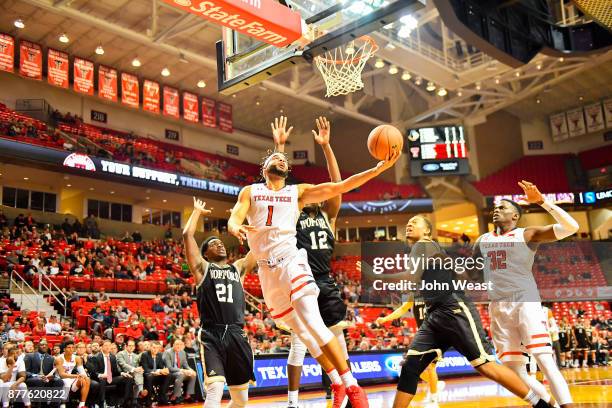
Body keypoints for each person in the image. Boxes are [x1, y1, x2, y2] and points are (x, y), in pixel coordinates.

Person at [227, 116, 400, 408]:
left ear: (288, 171)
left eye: (284, 159)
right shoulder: (250, 192)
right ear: (265, 167)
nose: (280, 160)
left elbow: (341, 185)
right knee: (305, 336)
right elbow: (236, 214)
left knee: (317, 328)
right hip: (268, 276)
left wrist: (377, 168)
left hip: (294, 263)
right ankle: (335, 380)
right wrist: (234, 225)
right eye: (275, 157)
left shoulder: (299, 193)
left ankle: (354, 388)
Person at [358, 215, 556, 408]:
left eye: (414, 223)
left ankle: (539, 404)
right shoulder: (425, 250)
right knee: (411, 366)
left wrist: (375, 275)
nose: (409, 225)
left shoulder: (423, 244)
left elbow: (411, 276)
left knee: (485, 365)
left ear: (427, 230)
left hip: (454, 310)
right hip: (434, 315)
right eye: (407, 223)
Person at [475, 181, 578, 408]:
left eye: (503, 207)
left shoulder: (527, 234)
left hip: (525, 301)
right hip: (498, 307)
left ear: (515, 216)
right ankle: (550, 405)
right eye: (496, 207)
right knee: (515, 371)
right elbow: (471, 272)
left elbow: (572, 227)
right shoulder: (482, 240)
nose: (497, 209)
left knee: (544, 361)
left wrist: (542, 201)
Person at [273, 118, 352, 408]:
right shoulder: (291, 211)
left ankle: (341, 393)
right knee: (299, 344)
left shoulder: (329, 215)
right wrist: (280, 147)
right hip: (300, 280)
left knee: (337, 343)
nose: (321, 191)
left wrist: (327, 146)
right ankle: (292, 400)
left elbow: (338, 184)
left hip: (325, 282)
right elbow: (277, 185)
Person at [183, 198, 257, 408]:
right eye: (214, 243)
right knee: (215, 388)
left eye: (221, 242)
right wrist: (196, 211)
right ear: (206, 253)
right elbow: (187, 235)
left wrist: (246, 220)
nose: (220, 244)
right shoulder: (201, 268)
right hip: (212, 334)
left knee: (241, 401)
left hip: (236, 334)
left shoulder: (238, 268)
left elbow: (258, 250)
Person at [376, 297, 445, 404]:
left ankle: (434, 399)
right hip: (422, 335)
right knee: (412, 366)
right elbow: (403, 309)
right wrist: (385, 319)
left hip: (436, 334)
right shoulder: (413, 295)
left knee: (431, 366)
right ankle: (435, 384)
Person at [88, 340, 135, 407]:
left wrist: (122, 373)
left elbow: (115, 372)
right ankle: (102, 403)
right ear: (101, 347)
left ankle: (125, 402)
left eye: (109, 345)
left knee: (128, 378)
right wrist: (101, 375)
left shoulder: (112, 357)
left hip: (111, 378)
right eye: (106, 345)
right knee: (102, 379)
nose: (108, 347)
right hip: (100, 378)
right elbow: (93, 373)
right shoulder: (95, 357)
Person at [23, 339, 64, 403]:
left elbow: (51, 373)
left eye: (46, 345)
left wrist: (50, 377)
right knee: (39, 381)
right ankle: (39, 404)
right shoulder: (29, 356)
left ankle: (53, 404)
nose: (44, 346)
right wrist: (37, 376)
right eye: (42, 345)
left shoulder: (51, 358)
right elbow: (25, 371)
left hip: (46, 378)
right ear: (38, 346)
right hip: (33, 378)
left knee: (59, 381)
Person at [55, 341, 90, 408]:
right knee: (66, 382)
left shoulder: (77, 358)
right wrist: (77, 376)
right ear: (64, 349)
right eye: (69, 347)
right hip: (59, 379)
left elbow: (82, 373)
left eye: (72, 347)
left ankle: (81, 405)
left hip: (70, 379)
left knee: (87, 379)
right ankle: (62, 403)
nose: (71, 349)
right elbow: (62, 375)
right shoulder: (59, 359)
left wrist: (83, 377)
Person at [162, 339, 197, 404]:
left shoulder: (183, 352)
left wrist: (191, 370)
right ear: (173, 345)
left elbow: (186, 365)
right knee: (181, 374)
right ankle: (175, 396)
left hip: (179, 372)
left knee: (193, 374)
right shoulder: (168, 352)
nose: (179, 346)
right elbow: (169, 368)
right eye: (177, 344)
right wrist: (182, 370)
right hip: (170, 373)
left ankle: (188, 395)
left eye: (180, 344)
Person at [140, 341, 171, 406]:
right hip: (147, 375)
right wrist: (158, 371)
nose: (155, 349)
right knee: (150, 376)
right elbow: (146, 369)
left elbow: (161, 367)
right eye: (154, 347)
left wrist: (164, 370)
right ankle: (148, 399)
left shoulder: (159, 354)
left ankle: (162, 395)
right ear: (150, 347)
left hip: (157, 375)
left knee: (168, 375)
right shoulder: (145, 355)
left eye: (157, 348)